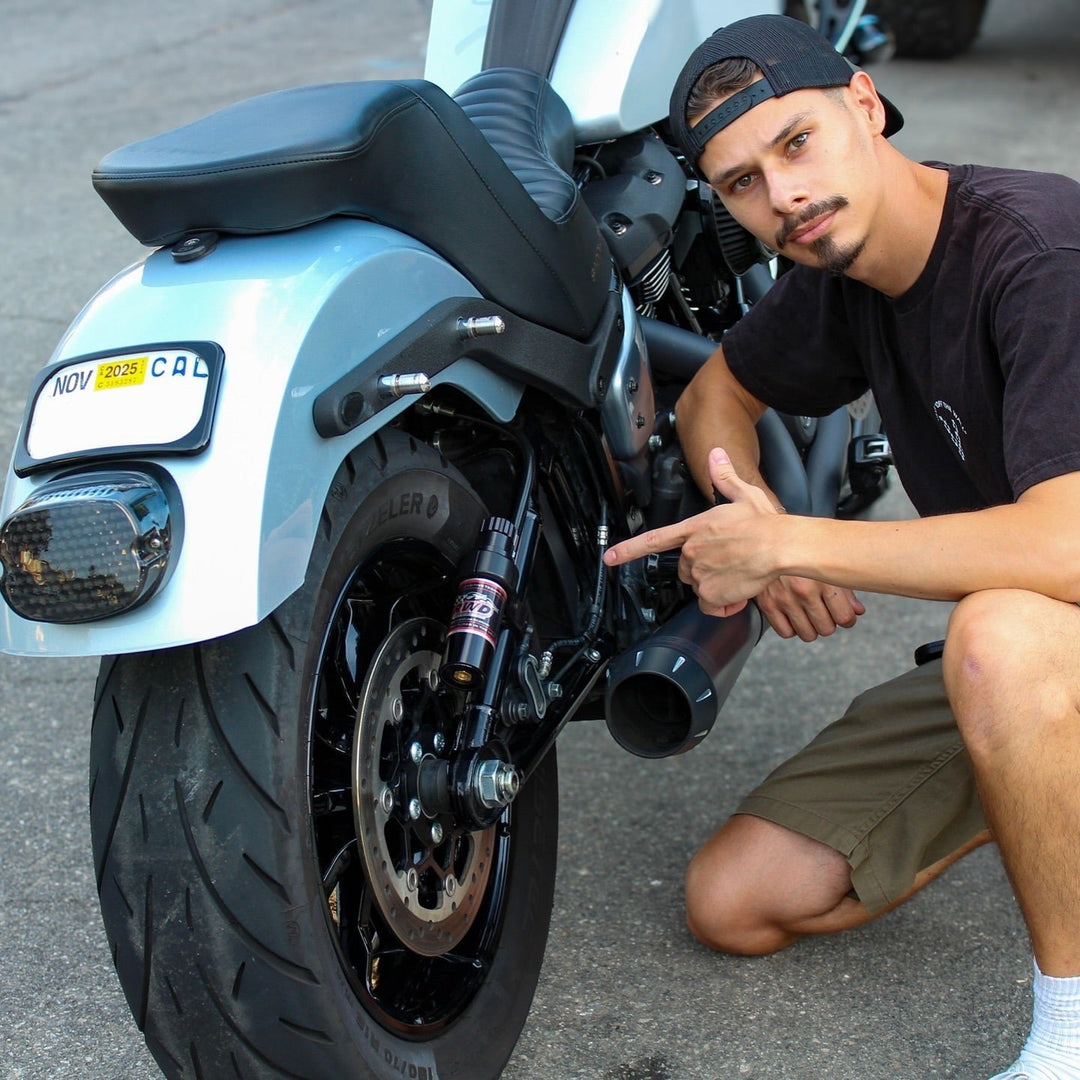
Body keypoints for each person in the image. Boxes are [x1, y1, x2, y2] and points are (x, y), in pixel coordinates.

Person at [602, 14, 1080, 1080]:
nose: (783, 198)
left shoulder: (1038, 252)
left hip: (1044, 621)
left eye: (797, 143)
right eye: (739, 184)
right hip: (1056, 656)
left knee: (1000, 629)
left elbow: (1070, 545)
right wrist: (757, 515)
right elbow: (715, 397)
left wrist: (798, 546)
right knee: (734, 902)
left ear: (864, 105)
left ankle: (1070, 1036)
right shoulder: (842, 276)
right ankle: (1048, 781)